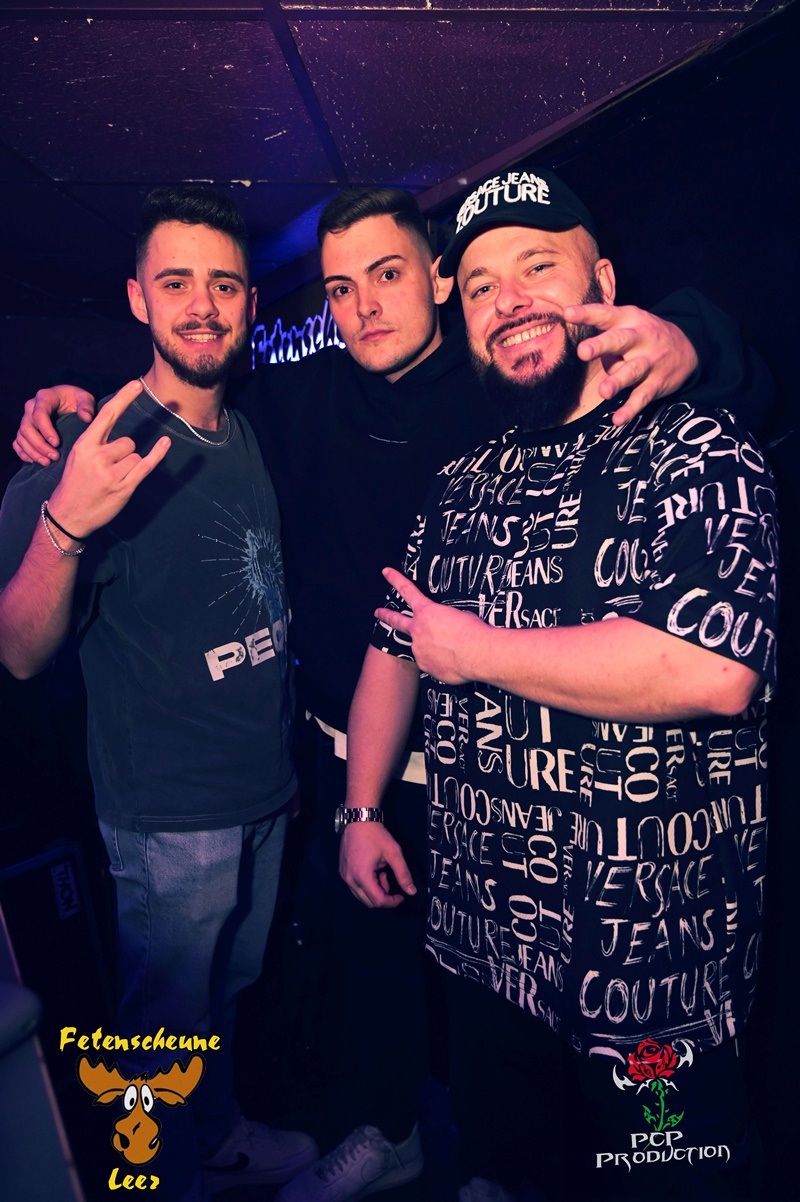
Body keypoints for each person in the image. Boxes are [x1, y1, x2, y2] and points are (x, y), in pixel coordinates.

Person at [11, 188, 772, 1202]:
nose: (364, 305)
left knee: (637, 1129)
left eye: (387, 273)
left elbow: (715, 633)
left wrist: (695, 340)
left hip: (613, 906)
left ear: (435, 281)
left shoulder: (531, 383)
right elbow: (183, 399)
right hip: (344, 788)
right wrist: (64, 411)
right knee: (299, 999)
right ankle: (221, 1162)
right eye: (338, 287)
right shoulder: (309, 409)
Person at [339, 168, 777, 1202]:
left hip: (652, 975)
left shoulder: (698, 443)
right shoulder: (459, 483)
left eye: (538, 266)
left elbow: (711, 667)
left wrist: (476, 650)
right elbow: (393, 646)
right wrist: (360, 809)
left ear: (604, 283)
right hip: (486, 949)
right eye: (482, 284)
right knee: (499, 1173)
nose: (509, 299)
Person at [0, 187, 318, 1201]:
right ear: (138, 298)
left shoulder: (247, 432)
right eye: (176, 283)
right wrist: (64, 522)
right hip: (169, 820)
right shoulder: (88, 450)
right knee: (161, 1034)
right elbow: (16, 650)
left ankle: (212, 1139)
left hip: (262, 794)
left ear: (252, 302)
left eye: (224, 284)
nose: (202, 306)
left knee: (222, 998)